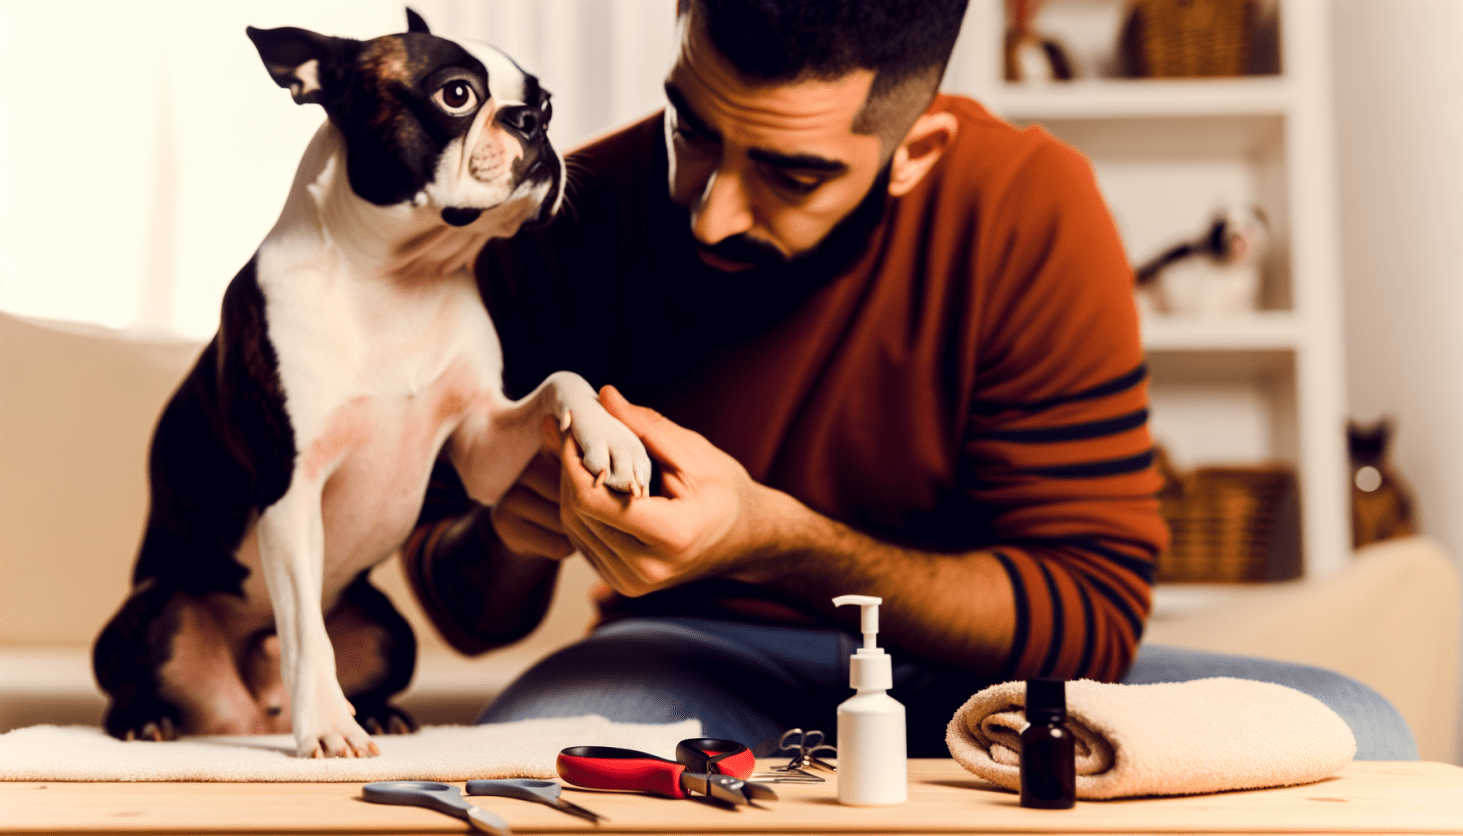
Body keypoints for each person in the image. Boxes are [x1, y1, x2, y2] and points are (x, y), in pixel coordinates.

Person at [403, 0, 1417, 759]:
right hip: (686, 651)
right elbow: (463, 609)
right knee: (546, 746)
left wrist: (771, 538)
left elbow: (1093, 613)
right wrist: (516, 527)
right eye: (692, 132)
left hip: (1006, 676)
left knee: (1358, 730)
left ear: (911, 152)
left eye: (792, 173)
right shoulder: (556, 223)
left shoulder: (1027, 207)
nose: (710, 211)